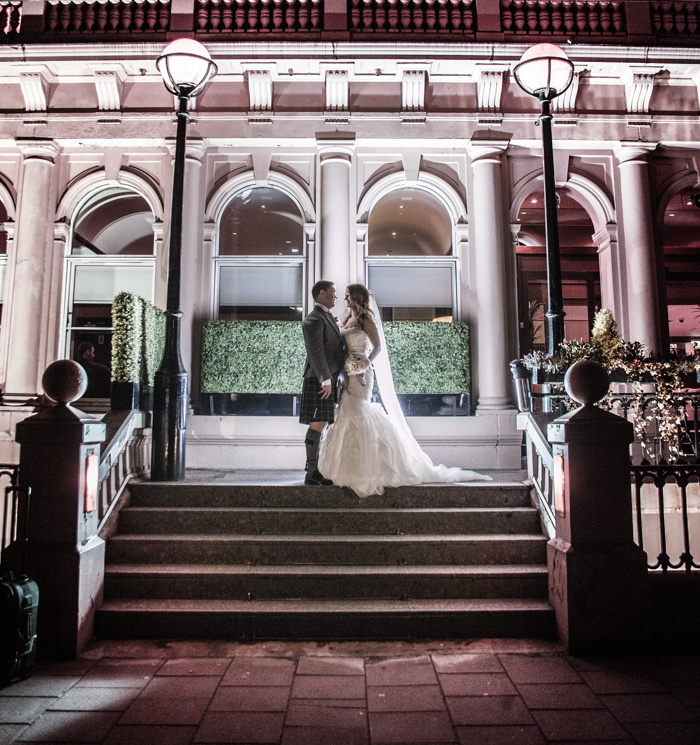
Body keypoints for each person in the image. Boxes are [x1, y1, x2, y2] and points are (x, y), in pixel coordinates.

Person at [318, 284, 491, 497]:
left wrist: (364, 363)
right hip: (346, 373)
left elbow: (377, 346)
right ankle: (342, 467)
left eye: (348, 296)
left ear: (356, 298)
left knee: (357, 411)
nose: (344, 299)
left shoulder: (366, 320)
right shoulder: (346, 320)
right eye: (344, 296)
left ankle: (368, 469)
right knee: (345, 409)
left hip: (361, 374)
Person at [299, 280, 346, 486]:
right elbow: (316, 352)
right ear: (321, 294)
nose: (335, 297)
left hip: (328, 378)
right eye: (332, 293)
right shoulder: (314, 319)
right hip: (319, 380)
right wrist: (325, 380)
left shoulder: (326, 316)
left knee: (323, 422)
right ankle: (311, 473)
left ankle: (315, 470)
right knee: (318, 423)